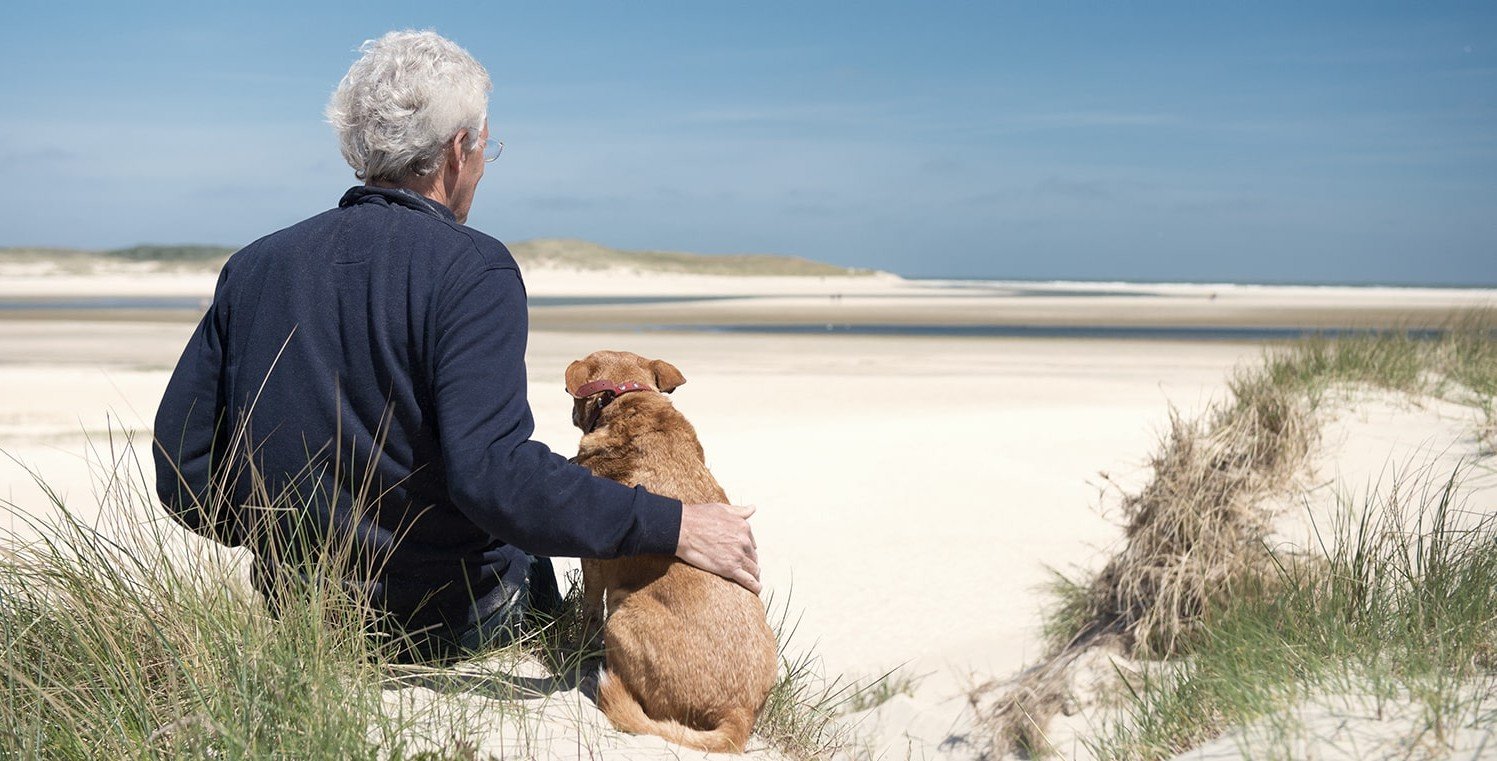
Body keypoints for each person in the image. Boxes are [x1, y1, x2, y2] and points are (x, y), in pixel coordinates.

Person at [152, 30, 759, 660]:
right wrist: (671, 523)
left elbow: (183, 469)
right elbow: (492, 473)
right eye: (486, 146)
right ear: (457, 150)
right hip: (455, 621)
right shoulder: (474, 268)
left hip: (299, 616)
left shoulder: (255, 265)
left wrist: (286, 546)